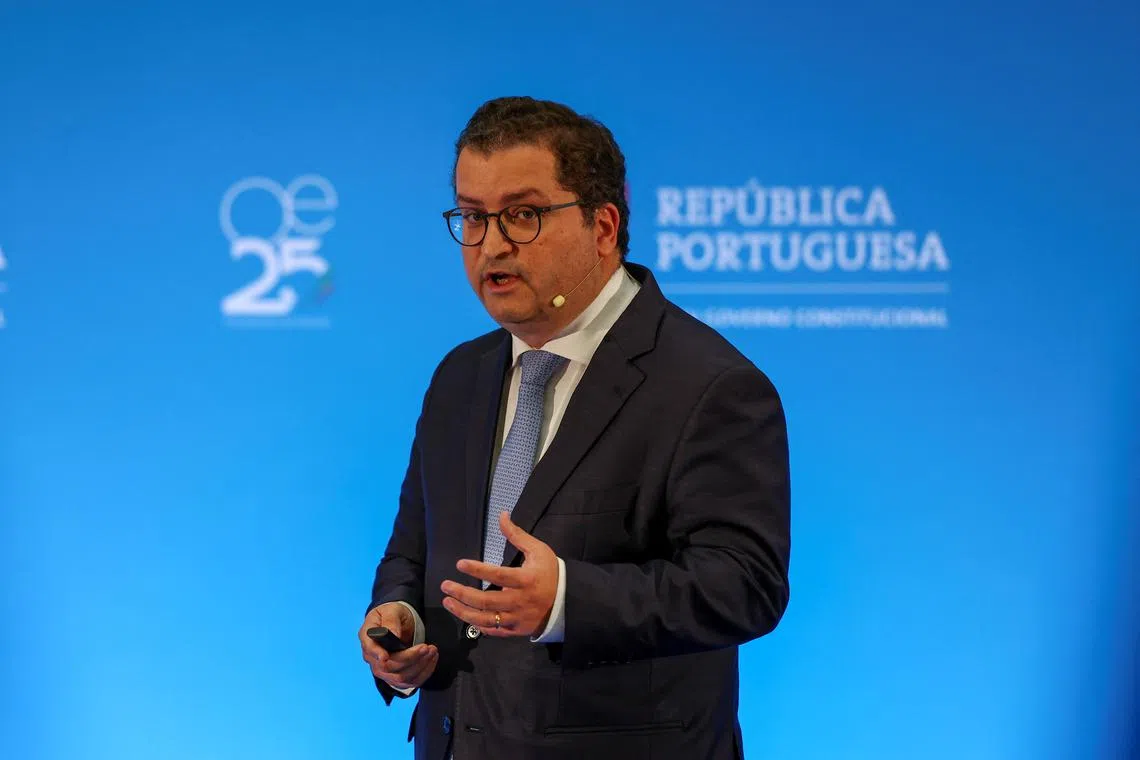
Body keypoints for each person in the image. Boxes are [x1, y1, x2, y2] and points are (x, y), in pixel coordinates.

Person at [359, 96, 791, 760]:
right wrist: (401, 621)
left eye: (523, 215)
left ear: (604, 226)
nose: (491, 244)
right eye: (473, 217)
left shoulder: (710, 385)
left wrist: (567, 598)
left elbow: (744, 585)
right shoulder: (459, 376)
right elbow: (414, 553)